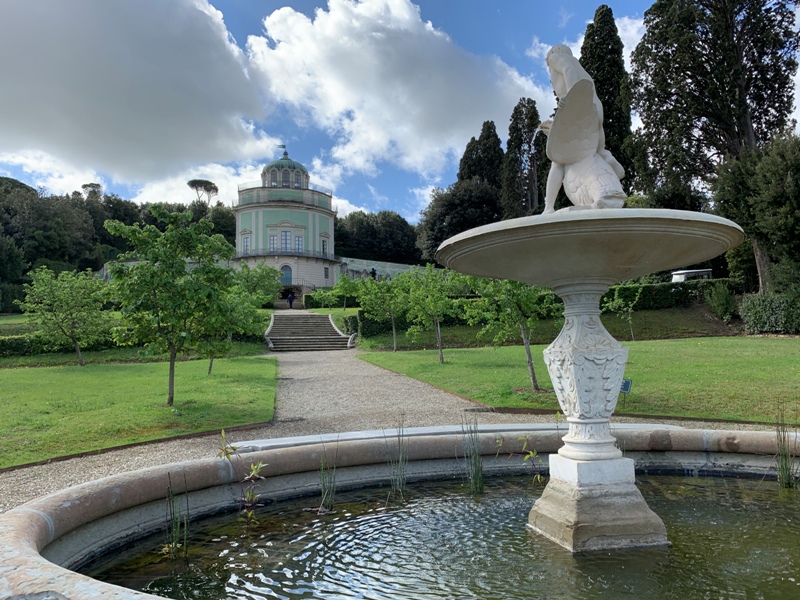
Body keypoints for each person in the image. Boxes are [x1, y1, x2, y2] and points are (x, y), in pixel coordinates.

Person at [540, 45, 626, 214]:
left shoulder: (555, 58)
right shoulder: (583, 70)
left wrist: (572, 98)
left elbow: (567, 68)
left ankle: (548, 207)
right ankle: (607, 159)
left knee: (557, 160)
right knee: (595, 151)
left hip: (580, 106)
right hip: (594, 111)